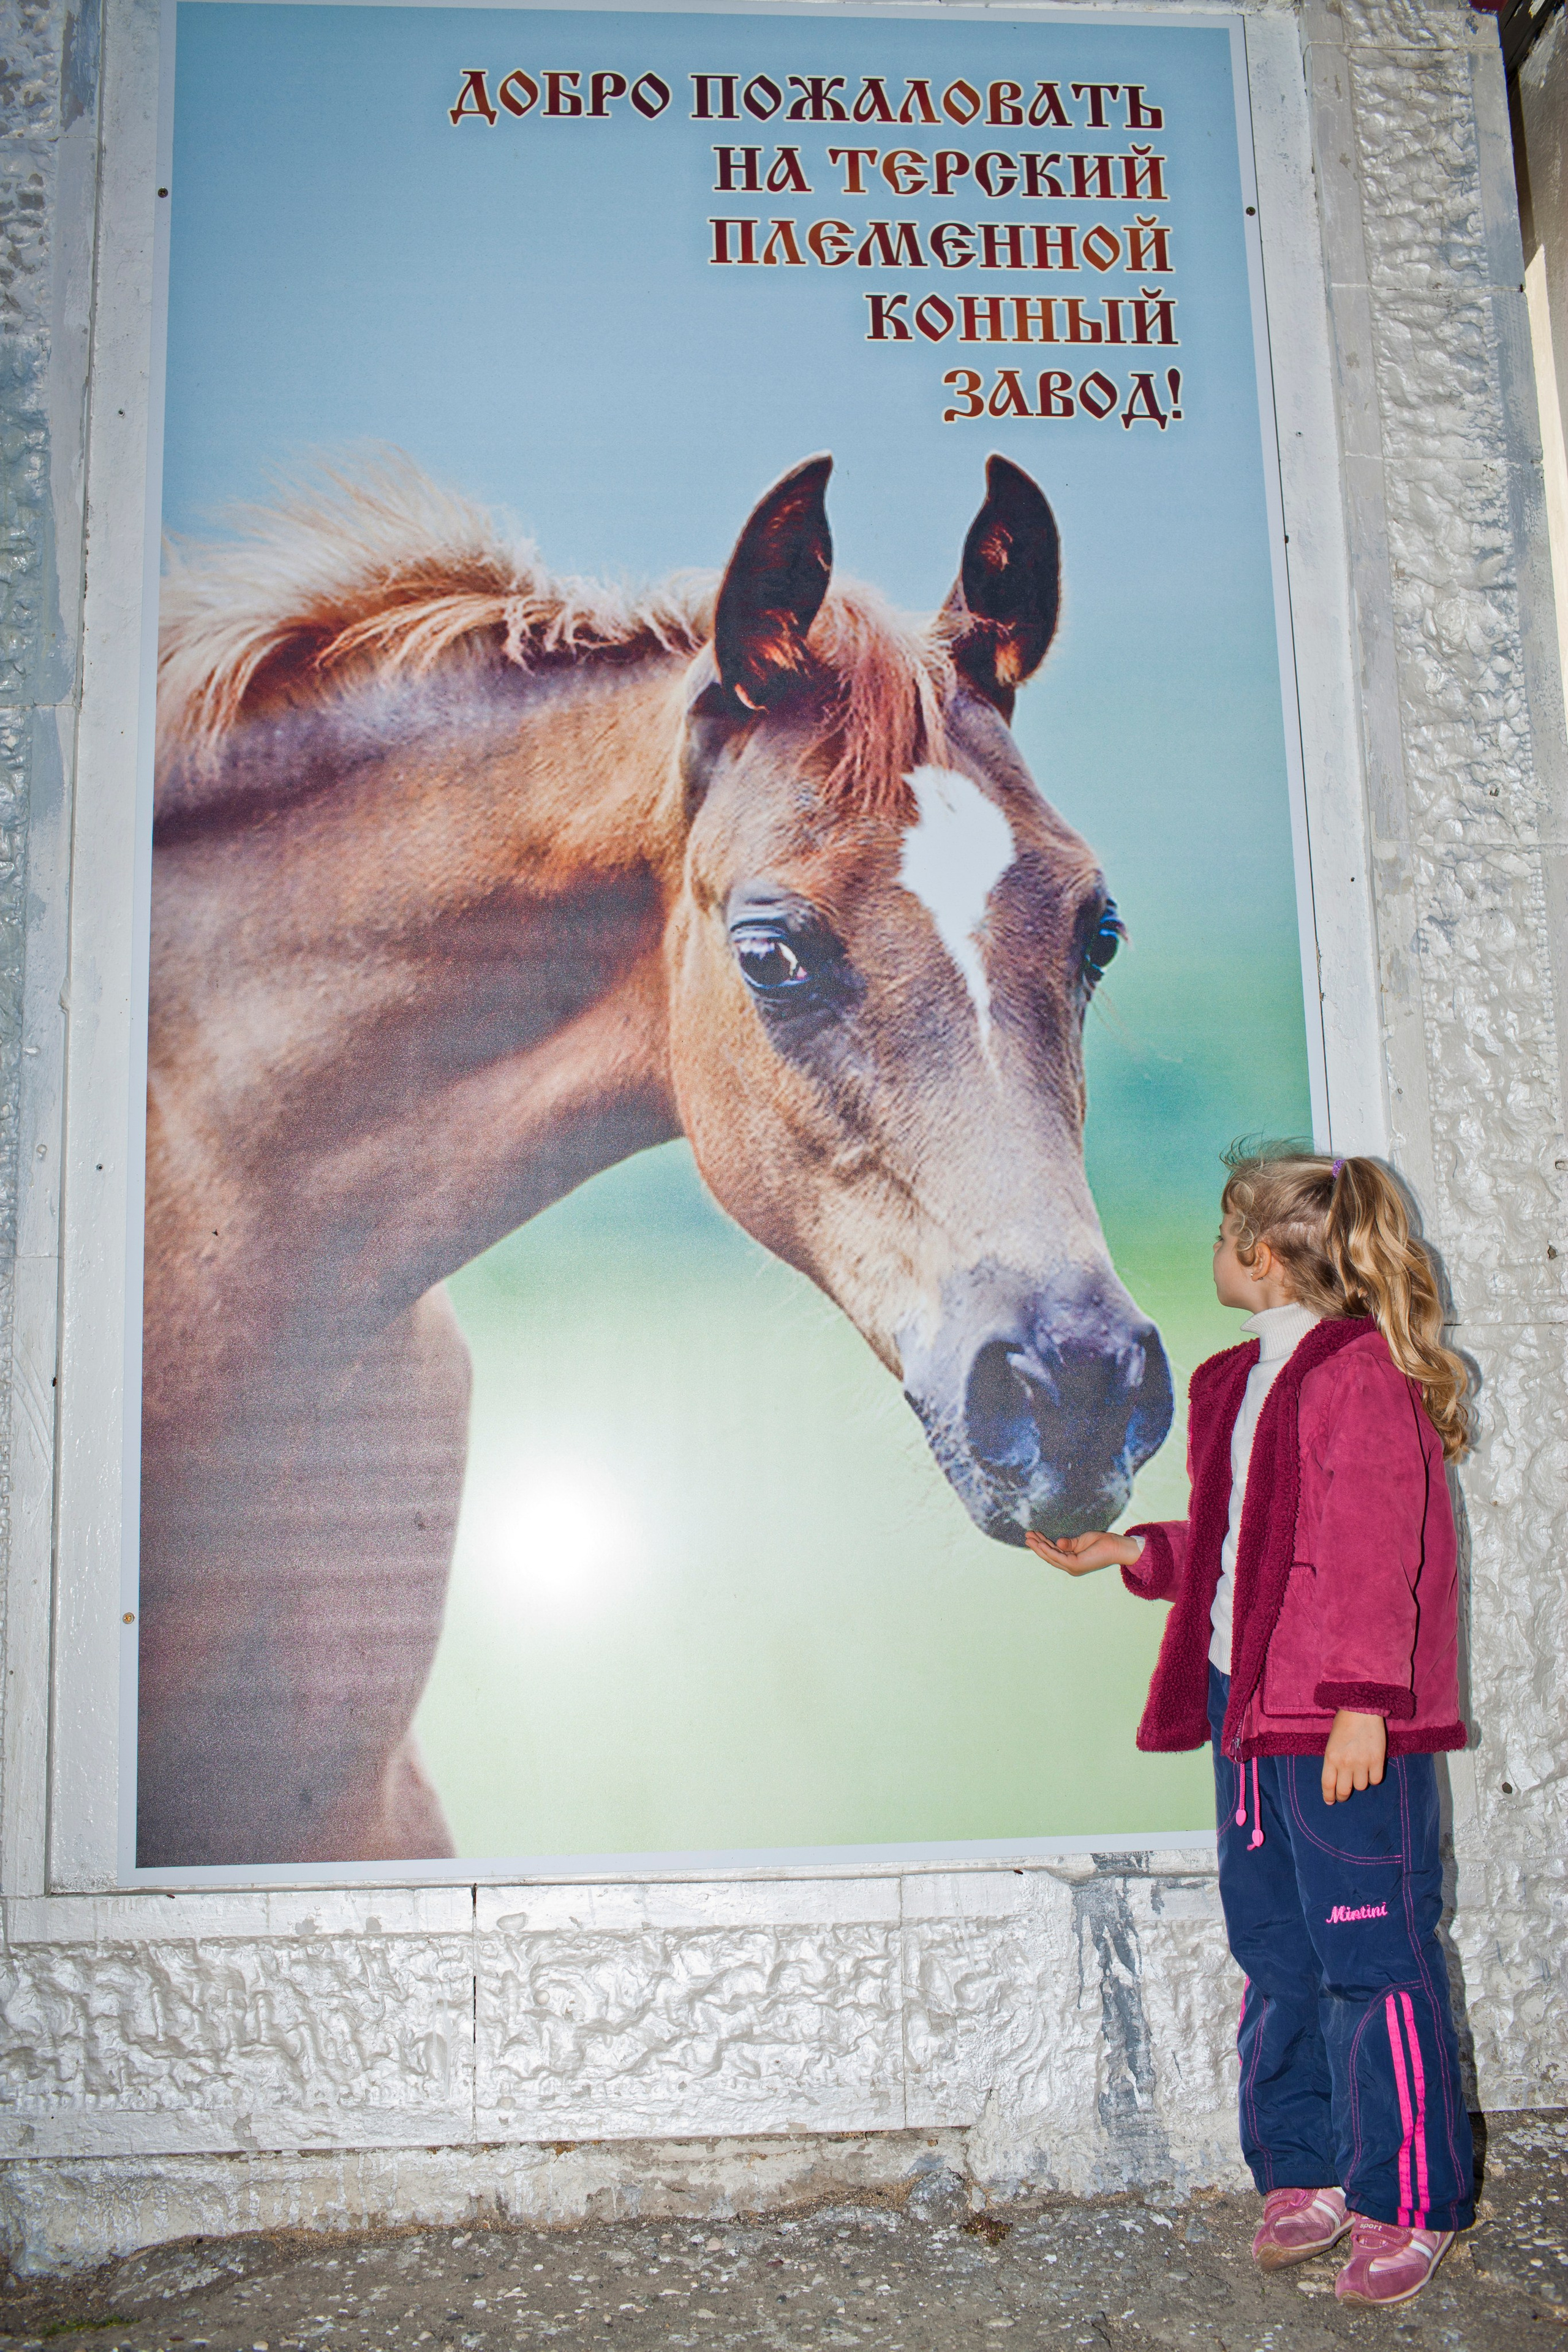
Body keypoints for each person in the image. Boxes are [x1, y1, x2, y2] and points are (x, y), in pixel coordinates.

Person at [1027, 1145, 1474, 2310]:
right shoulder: (1240, 1381)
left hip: (1339, 1725)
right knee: (1278, 1949)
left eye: (1227, 1234)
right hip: (1248, 1710)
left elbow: (1381, 1555)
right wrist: (1135, 1552)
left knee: (1376, 1952)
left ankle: (1411, 2197)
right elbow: (1244, 1551)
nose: (1215, 1251)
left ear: (1264, 1259)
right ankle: (1305, 2169)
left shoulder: (1362, 1377)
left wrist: (1366, 1708)